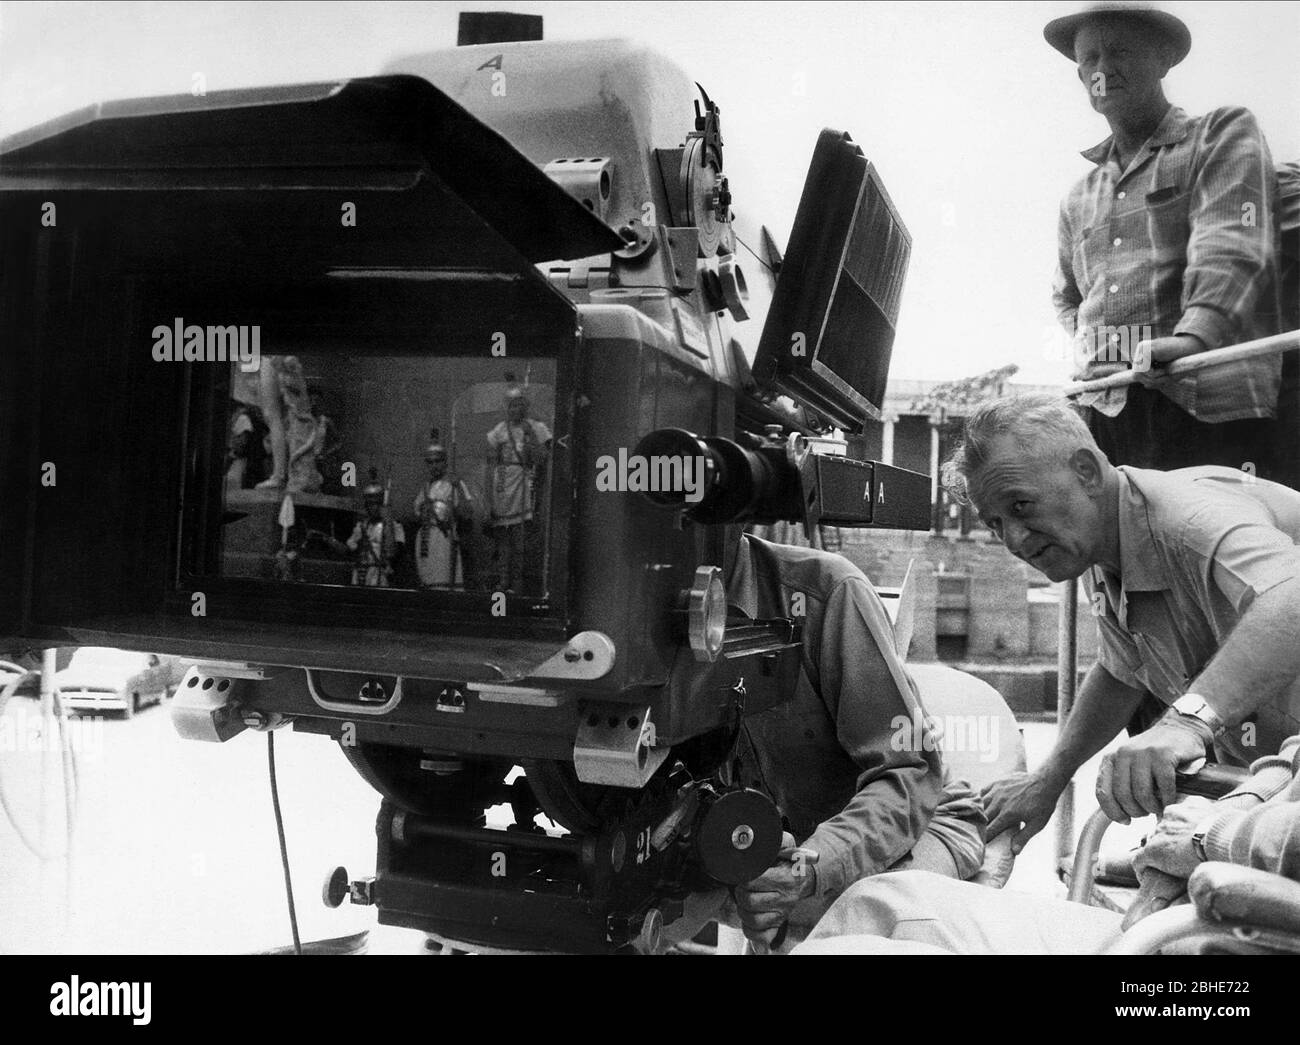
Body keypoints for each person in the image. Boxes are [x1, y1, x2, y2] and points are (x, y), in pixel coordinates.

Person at [940, 394, 1300, 859]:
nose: (1014, 539)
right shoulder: (1099, 543)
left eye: (1022, 506)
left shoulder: (1187, 518)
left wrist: (1186, 723)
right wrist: (1047, 780)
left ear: (1087, 471)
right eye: (995, 522)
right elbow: (1121, 672)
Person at [711, 531, 987, 950]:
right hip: (780, 855)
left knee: (855, 927)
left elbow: (907, 775)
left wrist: (809, 867)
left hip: (919, 826)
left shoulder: (830, 593)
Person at [793, 731, 1300, 955]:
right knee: (878, 898)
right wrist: (1234, 805)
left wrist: (1207, 836)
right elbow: (1289, 762)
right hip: (1187, 920)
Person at [1048, 2, 1282, 475]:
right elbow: (1067, 298)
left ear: (1164, 60)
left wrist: (1193, 338)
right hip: (1106, 414)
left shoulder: (1221, 134)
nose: (1102, 69)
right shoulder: (1079, 196)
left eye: (1120, 52)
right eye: (1088, 60)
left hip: (1205, 402)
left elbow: (1233, 242)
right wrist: (1102, 356)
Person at [486, 389, 551, 592]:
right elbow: (491, 461)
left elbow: (543, 457)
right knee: (503, 537)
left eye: (520, 404)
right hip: (503, 481)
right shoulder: (499, 430)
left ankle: (518, 581)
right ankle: (504, 580)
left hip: (524, 481)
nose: (516, 409)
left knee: (520, 536)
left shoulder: (535, 427)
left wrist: (531, 436)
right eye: (512, 405)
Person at [413, 437, 473, 589]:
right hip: (426, 538)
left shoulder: (454, 483)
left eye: (437, 461)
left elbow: (467, 513)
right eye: (430, 462)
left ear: (445, 462)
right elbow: (417, 511)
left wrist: (457, 486)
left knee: (444, 581)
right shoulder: (425, 487)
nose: (434, 466)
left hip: (444, 538)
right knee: (427, 582)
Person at [346, 478, 405, 587]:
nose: (374, 507)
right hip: (362, 572)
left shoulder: (395, 526)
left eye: (377, 503)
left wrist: (387, 523)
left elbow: (393, 552)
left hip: (380, 574)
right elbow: (350, 548)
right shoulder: (362, 526)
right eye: (370, 503)